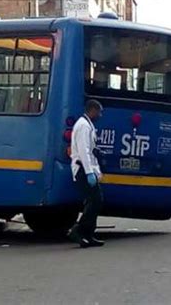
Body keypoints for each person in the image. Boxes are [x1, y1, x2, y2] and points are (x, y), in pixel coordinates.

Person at [67, 100, 105, 248]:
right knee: (95, 200)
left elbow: (90, 149)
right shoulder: (83, 126)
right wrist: (90, 173)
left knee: (94, 201)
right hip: (83, 169)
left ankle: (88, 234)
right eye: (99, 112)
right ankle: (78, 231)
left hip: (87, 168)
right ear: (92, 110)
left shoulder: (87, 124)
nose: (100, 115)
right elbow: (83, 151)